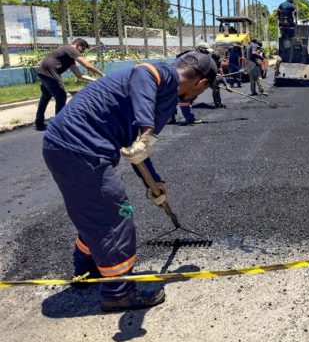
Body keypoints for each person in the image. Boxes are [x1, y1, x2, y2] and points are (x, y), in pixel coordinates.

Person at [42, 50, 216, 312]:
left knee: (95, 214)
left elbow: (137, 149)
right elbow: (143, 73)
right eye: (200, 92)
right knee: (115, 216)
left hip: (68, 147)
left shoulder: (164, 93)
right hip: (81, 149)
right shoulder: (160, 75)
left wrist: (153, 183)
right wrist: (146, 127)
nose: (195, 97)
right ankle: (118, 293)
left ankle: (88, 272)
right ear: (201, 83)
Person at [35, 38, 105, 131]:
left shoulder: (69, 58)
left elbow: (79, 75)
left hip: (42, 72)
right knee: (61, 96)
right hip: (50, 72)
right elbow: (87, 65)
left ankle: (39, 123)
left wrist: (95, 80)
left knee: (46, 96)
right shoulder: (71, 49)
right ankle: (59, 126)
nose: (82, 52)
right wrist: (102, 74)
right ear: (78, 45)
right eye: (82, 49)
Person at [196, 42, 226, 108]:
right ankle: (188, 103)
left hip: (210, 76)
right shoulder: (198, 58)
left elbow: (219, 70)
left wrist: (226, 84)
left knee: (216, 88)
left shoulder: (213, 58)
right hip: (199, 76)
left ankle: (218, 103)